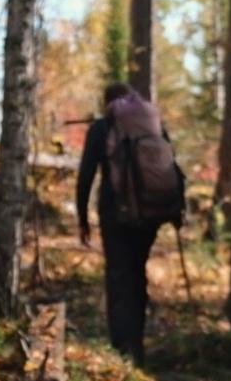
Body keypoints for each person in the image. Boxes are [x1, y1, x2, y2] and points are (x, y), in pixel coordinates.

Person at [75, 82, 182, 366]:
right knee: (137, 272)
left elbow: (86, 175)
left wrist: (82, 218)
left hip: (117, 213)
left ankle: (125, 350)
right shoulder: (151, 124)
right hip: (151, 212)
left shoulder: (102, 128)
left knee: (119, 276)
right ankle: (138, 343)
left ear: (108, 102)